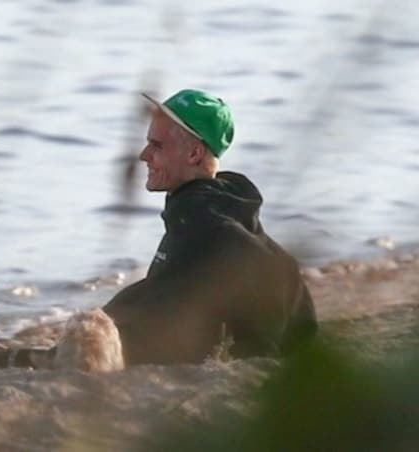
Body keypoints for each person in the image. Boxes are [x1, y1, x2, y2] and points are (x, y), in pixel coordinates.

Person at [102, 89, 318, 365]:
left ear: (194, 153)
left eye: (157, 145)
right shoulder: (221, 202)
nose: (144, 155)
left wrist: (258, 354)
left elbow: (269, 268)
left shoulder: (200, 215)